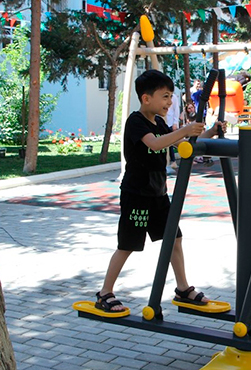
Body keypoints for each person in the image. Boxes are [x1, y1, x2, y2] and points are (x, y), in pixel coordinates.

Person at [95, 70, 224, 313]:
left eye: (171, 96)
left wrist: (209, 132)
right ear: (146, 98)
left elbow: (183, 145)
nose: (170, 102)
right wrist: (185, 130)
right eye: (165, 97)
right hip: (137, 196)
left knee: (174, 238)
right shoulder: (136, 122)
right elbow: (155, 144)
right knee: (128, 245)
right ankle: (105, 293)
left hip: (158, 194)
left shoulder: (160, 124)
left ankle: (183, 288)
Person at [165, 90, 181, 174]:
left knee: (170, 142)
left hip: (170, 122)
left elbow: (176, 110)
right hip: (164, 121)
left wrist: (175, 123)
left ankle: (173, 161)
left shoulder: (174, 97)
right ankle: (170, 161)